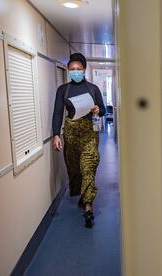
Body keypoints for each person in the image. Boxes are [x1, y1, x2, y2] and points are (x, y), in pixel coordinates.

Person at [52, 53, 105, 228]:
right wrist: (56, 135)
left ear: (84, 70)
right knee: (75, 169)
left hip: (89, 134)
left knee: (88, 165)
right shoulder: (63, 90)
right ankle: (82, 195)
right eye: (72, 69)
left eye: (78, 69)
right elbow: (58, 113)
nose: (75, 72)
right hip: (71, 135)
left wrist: (98, 110)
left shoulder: (93, 89)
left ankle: (88, 206)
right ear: (68, 70)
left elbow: (103, 110)